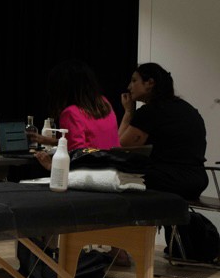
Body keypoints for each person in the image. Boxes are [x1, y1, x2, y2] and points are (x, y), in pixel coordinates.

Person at [118, 63, 207, 200]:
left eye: (134, 80)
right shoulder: (188, 108)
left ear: (150, 83)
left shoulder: (151, 111)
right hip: (198, 180)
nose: (129, 87)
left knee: (119, 174)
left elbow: (122, 145)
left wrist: (129, 112)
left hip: (170, 179)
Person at [29, 60, 120, 154]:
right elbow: (94, 143)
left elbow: (77, 156)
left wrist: (49, 165)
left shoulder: (70, 113)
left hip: (92, 167)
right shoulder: (104, 102)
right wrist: (51, 141)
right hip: (114, 165)